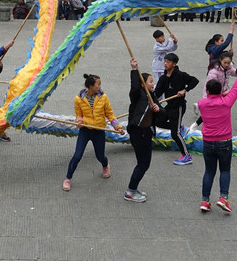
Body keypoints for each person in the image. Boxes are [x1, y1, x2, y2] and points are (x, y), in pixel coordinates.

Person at [197, 59, 237, 213]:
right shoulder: (227, 102)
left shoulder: (202, 103)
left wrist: (221, 94)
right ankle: (223, 198)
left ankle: (205, 201)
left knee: (209, 171)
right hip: (224, 142)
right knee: (225, 170)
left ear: (207, 91)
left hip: (208, 142)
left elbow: (212, 99)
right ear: (220, 90)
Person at [61, 73, 123, 192]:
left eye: (100, 84)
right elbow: (79, 115)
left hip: (99, 131)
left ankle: (105, 165)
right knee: (77, 155)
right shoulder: (78, 99)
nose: (100, 86)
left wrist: (117, 126)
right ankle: (68, 178)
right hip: (85, 131)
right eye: (98, 84)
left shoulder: (103, 97)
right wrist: (79, 121)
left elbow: (110, 114)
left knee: (100, 156)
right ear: (90, 86)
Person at [125, 59, 163, 202]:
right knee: (143, 163)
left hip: (147, 133)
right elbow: (134, 87)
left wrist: (158, 109)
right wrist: (134, 70)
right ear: (143, 84)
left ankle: (134, 188)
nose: (153, 84)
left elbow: (162, 114)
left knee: (145, 163)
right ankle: (130, 191)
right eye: (150, 81)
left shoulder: (152, 96)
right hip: (138, 133)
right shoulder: (137, 96)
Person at [153, 52, 199, 165]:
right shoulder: (163, 78)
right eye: (164, 61)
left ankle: (187, 156)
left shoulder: (181, 75)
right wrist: (151, 101)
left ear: (174, 64)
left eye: (168, 62)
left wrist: (185, 90)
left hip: (178, 106)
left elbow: (195, 81)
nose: (165, 64)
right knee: (158, 121)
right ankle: (179, 127)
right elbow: (157, 93)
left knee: (175, 134)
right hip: (169, 106)